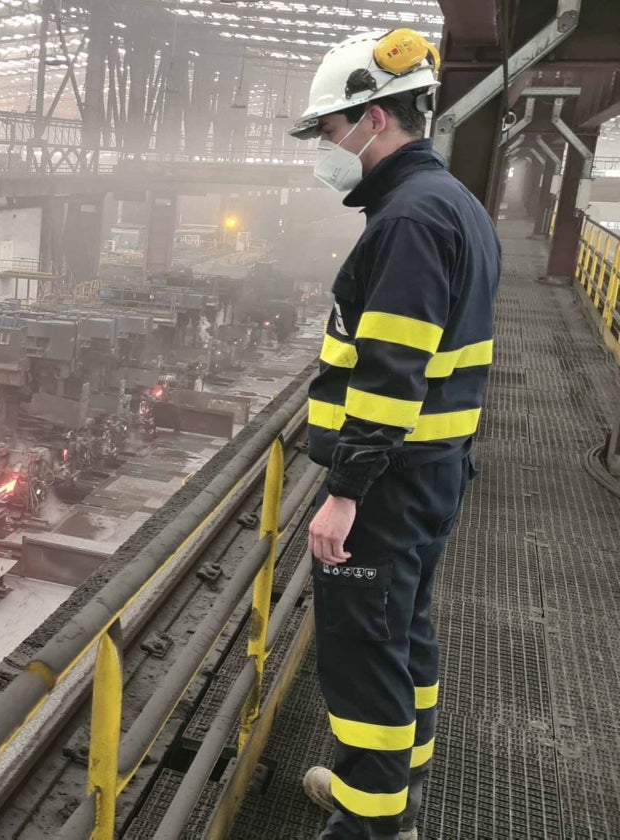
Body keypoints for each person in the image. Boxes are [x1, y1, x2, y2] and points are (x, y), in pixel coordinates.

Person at [288, 28, 502, 840]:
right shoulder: (454, 204)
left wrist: (343, 493)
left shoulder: (408, 220)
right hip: (431, 476)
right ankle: (388, 795)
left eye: (328, 130)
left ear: (373, 119)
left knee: (365, 660)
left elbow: (390, 372)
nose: (325, 148)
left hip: (386, 486)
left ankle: (369, 827)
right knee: (405, 635)